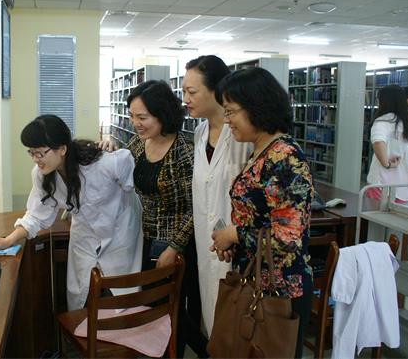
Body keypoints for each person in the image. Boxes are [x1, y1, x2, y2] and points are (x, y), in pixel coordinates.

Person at [0, 115, 142, 310]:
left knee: (122, 297)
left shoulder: (102, 163)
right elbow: (36, 215)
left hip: (120, 232)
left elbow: (132, 178)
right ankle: (84, 328)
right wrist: (7, 240)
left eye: (41, 153)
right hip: (85, 235)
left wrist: (115, 148)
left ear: (62, 149)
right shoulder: (42, 175)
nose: (36, 159)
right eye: (31, 152)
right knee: (83, 295)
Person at [210, 67, 314, 359]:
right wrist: (235, 243)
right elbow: (260, 219)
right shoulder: (261, 151)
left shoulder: (284, 158)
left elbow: (288, 239)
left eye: (231, 112)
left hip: (280, 292)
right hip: (255, 282)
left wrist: (234, 234)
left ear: (257, 106)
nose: (227, 120)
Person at [125, 80, 200, 357]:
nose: (136, 123)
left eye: (142, 117)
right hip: (146, 238)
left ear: (162, 114)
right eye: (132, 116)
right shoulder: (138, 143)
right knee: (151, 305)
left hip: (176, 244)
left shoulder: (184, 151)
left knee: (173, 310)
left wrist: (175, 246)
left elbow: (195, 206)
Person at [182, 55, 252, 337]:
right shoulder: (199, 132)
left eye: (191, 92)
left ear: (216, 91)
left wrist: (234, 233)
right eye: (183, 91)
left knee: (237, 329)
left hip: (237, 246)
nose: (185, 99)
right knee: (214, 325)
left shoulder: (242, 134)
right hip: (207, 244)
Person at [366, 85, 408, 202]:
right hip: (405, 187)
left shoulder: (383, 121)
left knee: (376, 213)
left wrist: (387, 164)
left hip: (380, 184)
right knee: (398, 214)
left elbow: (378, 142)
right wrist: (404, 165)